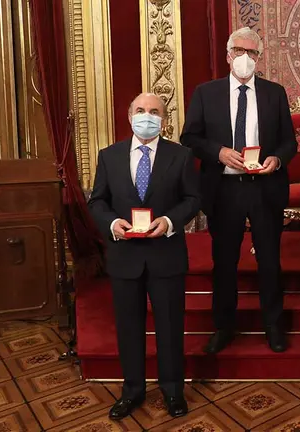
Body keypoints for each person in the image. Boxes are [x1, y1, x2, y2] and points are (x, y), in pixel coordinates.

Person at [180, 27, 297, 354]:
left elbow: (290, 141)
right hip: (225, 188)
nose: (246, 57)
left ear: (259, 58)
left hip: (265, 187)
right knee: (225, 260)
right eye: (239, 50)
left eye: (253, 52)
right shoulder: (207, 93)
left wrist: (277, 158)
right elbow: (189, 137)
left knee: (270, 261)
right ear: (228, 54)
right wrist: (218, 152)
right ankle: (224, 326)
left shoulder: (275, 93)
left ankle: (273, 326)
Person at [88, 93, 200, 420]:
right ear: (129, 115)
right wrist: (111, 223)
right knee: (128, 328)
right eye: (140, 110)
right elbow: (97, 202)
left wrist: (168, 222)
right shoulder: (108, 156)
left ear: (164, 119)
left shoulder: (180, 156)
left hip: (165, 255)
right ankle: (132, 391)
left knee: (169, 327)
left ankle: (172, 391)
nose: (146, 116)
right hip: (125, 257)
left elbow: (193, 199)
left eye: (154, 111)